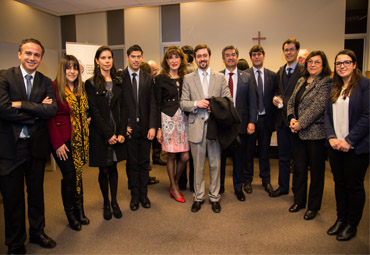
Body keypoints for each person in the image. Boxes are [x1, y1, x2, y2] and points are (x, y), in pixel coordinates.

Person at [0, 38, 57, 254]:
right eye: (28, 53)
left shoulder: (45, 81)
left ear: (41, 58)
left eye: (36, 55)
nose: (32, 58)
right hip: (10, 148)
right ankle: (15, 243)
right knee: (13, 198)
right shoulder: (4, 76)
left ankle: (37, 232)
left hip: (35, 147)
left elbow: (50, 111)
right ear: (19, 54)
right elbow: (3, 109)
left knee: (36, 194)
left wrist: (21, 105)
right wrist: (35, 113)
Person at [180, 44, 231, 213]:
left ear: (210, 57)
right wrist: (197, 103)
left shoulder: (220, 78)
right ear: (195, 59)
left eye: (205, 55)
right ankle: (199, 197)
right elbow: (183, 103)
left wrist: (215, 107)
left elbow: (228, 100)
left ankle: (215, 197)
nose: (202, 58)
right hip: (196, 129)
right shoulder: (188, 78)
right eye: (199, 56)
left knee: (216, 165)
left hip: (215, 129)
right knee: (198, 166)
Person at [325, 49, 369, 241]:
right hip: (336, 146)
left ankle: (352, 223)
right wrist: (331, 137)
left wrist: (349, 141)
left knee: (354, 186)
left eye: (346, 62)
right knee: (339, 183)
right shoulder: (334, 87)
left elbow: (368, 117)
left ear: (354, 64)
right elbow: (327, 115)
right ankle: (341, 218)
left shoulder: (365, 86)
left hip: (356, 147)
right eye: (338, 63)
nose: (341, 66)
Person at [287, 50, 332, 220]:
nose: (312, 65)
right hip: (298, 133)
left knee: (316, 172)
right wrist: (291, 118)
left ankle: (313, 206)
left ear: (323, 65)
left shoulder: (326, 82)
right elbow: (291, 102)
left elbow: (318, 107)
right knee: (299, 169)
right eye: (310, 62)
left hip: (315, 134)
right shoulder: (301, 80)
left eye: (317, 62)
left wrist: (300, 124)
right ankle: (299, 201)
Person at [47, 55, 90, 231]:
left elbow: (86, 109)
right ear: (62, 70)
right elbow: (48, 118)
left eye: (74, 67)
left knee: (78, 174)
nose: (71, 71)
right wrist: (57, 144)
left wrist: (87, 118)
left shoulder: (81, 87)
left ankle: (80, 209)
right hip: (62, 140)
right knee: (70, 175)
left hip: (78, 138)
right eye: (68, 68)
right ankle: (71, 214)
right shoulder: (54, 87)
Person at [85, 46, 127, 220]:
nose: (107, 61)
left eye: (109, 57)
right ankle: (105, 202)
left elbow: (124, 110)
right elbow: (94, 112)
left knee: (114, 168)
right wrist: (108, 134)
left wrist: (122, 132)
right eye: (103, 58)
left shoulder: (118, 81)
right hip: (101, 134)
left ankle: (115, 201)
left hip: (117, 134)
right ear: (97, 61)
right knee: (104, 169)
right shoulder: (91, 83)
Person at [118, 45, 157, 211]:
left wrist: (153, 126)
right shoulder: (120, 77)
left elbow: (153, 104)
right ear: (128, 57)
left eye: (139, 56)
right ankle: (134, 196)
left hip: (145, 128)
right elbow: (118, 105)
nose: (136, 59)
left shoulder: (148, 78)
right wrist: (123, 125)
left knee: (144, 163)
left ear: (142, 58)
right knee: (132, 164)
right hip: (129, 128)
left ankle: (144, 195)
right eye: (133, 56)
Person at [220, 45, 257, 201]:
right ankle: (219, 187)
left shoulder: (247, 77)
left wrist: (252, 122)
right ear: (223, 59)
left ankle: (238, 187)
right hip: (222, 125)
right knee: (219, 159)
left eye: (233, 55)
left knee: (238, 158)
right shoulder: (218, 76)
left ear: (237, 57)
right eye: (227, 55)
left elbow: (253, 102)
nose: (230, 57)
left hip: (241, 124)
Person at [155, 46, 189, 203]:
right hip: (168, 119)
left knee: (185, 156)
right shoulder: (160, 78)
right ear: (166, 61)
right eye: (171, 57)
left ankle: (174, 182)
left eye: (177, 57)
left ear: (181, 60)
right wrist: (159, 128)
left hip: (184, 120)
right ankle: (174, 187)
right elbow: (157, 103)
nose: (174, 60)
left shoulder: (186, 78)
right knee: (171, 155)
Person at [270, 38, 303, 197]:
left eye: (291, 49)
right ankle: (283, 187)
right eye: (286, 50)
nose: (289, 52)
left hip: (297, 122)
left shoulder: (304, 71)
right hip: (282, 121)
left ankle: (297, 190)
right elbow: (278, 90)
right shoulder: (281, 71)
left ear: (297, 51)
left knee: (297, 160)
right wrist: (276, 98)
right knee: (282, 157)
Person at [245, 45, 278, 195]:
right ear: (251, 58)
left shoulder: (272, 75)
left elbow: (278, 95)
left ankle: (266, 180)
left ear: (264, 56)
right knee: (249, 152)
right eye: (254, 55)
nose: (257, 57)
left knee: (265, 152)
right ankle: (247, 180)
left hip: (266, 120)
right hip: (251, 121)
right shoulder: (244, 75)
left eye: (259, 54)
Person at [179, 45, 195, 193]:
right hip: (185, 114)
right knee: (188, 153)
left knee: (186, 153)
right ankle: (187, 184)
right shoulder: (182, 72)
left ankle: (184, 183)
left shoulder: (191, 71)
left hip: (190, 114)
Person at [148, 60, 166, 167]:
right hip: (149, 112)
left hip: (158, 110)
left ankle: (156, 157)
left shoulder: (159, 80)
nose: (156, 72)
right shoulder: (146, 80)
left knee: (157, 138)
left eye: (157, 69)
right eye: (153, 70)